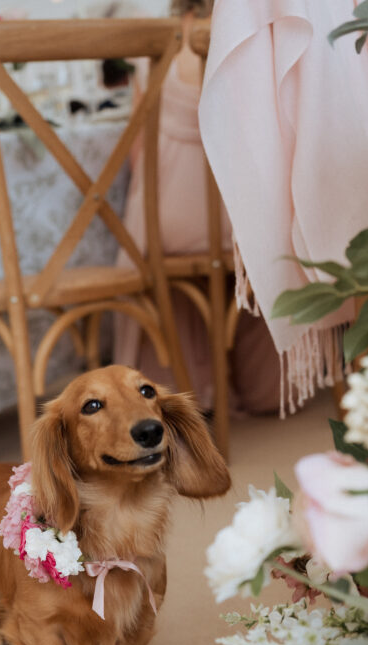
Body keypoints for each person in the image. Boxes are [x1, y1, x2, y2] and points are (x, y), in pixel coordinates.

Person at [113, 0, 281, 415]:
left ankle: (184, 386)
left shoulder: (153, 38)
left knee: (148, 224)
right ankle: (263, 387)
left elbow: (138, 148)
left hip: (167, 221)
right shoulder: (251, 29)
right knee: (262, 235)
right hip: (235, 218)